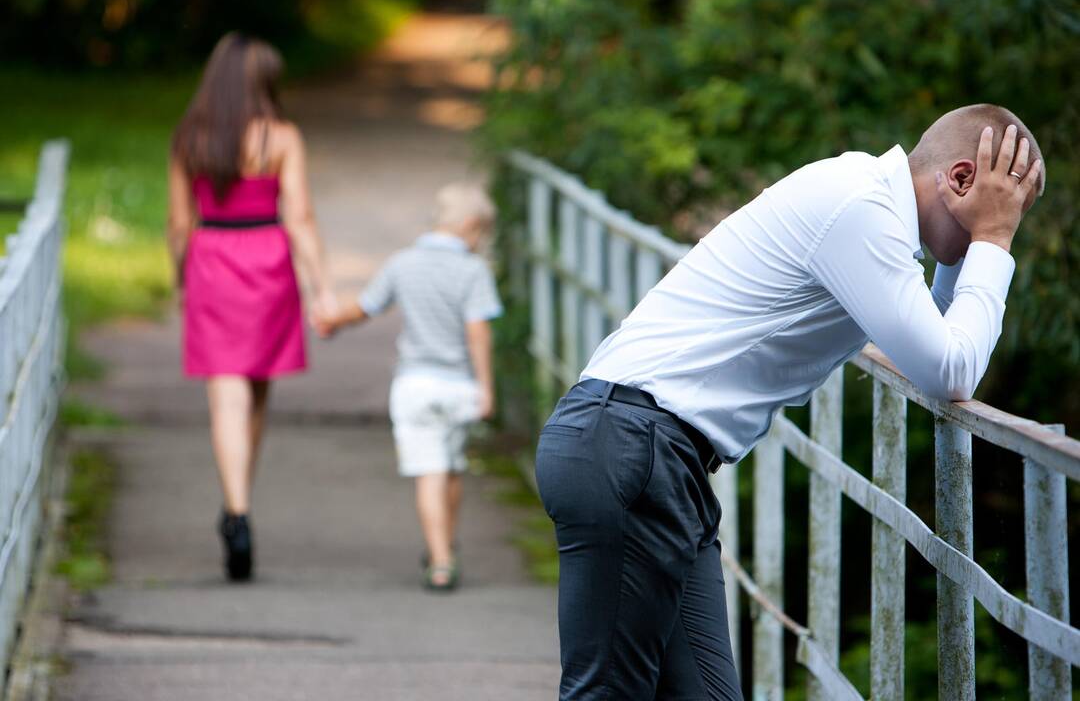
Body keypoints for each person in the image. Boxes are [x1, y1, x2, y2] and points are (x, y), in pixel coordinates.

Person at [535, 104, 1045, 700]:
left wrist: (973, 244)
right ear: (961, 179)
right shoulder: (861, 211)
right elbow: (951, 369)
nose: (1004, 227)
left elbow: (937, 338)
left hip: (652, 459)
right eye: (1006, 209)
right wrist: (993, 238)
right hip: (635, 451)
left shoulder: (865, 201)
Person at [167, 33, 336, 582]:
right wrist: (323, 287)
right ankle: (238, 504)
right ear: (265, 81)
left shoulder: (189, 138)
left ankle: (236, 512)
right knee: (257, 389)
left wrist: (179, 277)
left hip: (212, 261)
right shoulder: (281, 137)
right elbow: (301, 217)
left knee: (227, 396)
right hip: (267, 261)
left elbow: (179, 223)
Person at [314, 183, 502, 591]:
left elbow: (365, 307)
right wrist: (486, 387)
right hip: (458, 387)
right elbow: (478, 333)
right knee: (452, 469)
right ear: (469, 226)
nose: (479, 244)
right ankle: (445, 546)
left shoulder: (403, 263)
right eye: (480, 235)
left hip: (414, 385)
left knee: (428, 472)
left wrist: (332, 321)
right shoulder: (473, 272)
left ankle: (439, 559)